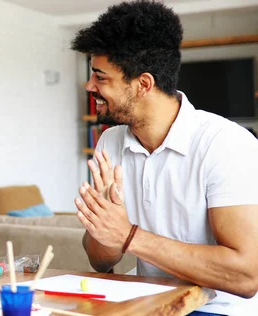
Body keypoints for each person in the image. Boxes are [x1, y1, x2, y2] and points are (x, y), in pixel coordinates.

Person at [71, 1, 258, 315]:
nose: (89, 85)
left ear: (143, 84)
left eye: (101, 77)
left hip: (219, 309)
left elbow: (246, 275)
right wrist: (105, 227)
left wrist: (128, 235)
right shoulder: (111, 141)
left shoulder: (226, 144)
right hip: (149, 304)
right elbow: (101, 261)